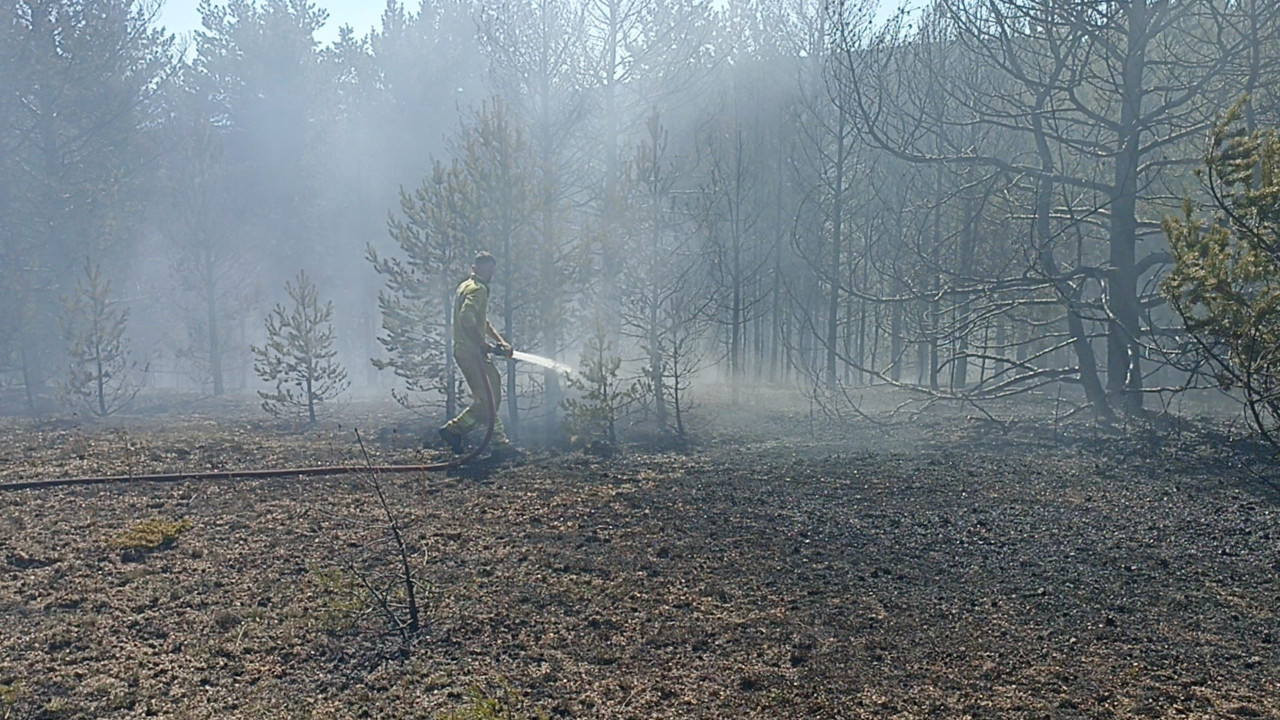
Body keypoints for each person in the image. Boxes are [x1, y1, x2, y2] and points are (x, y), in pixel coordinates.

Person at [438, 251, 521, 459]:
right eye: (490, 269)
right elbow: (467, 317)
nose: (492, 273)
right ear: (485, 269)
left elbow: (481, 321)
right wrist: (481, 344)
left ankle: (496, 440)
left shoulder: (466, 286)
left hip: (467, 351)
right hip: (470, 352)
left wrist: (500, 342)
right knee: (488, 398)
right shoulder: (478, 289)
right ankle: (456, 430)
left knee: (489, 396)